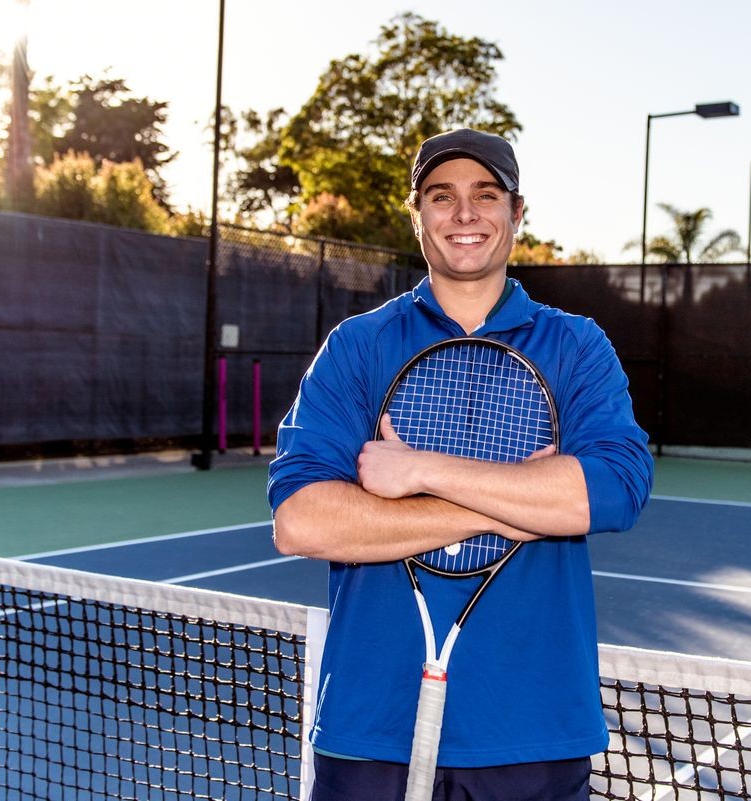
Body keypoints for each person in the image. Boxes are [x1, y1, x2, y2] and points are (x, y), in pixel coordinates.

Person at [268, 128, 653, 801]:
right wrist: (519, 503)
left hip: (534, 729)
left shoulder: (577, 345)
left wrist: (418, 471)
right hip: (369, 728)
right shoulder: (358, 347)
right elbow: (302, 522)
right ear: (416, 215)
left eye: (486, 194)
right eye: (441, 197)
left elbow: (613, 490)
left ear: (517, 212)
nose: (465, 214)